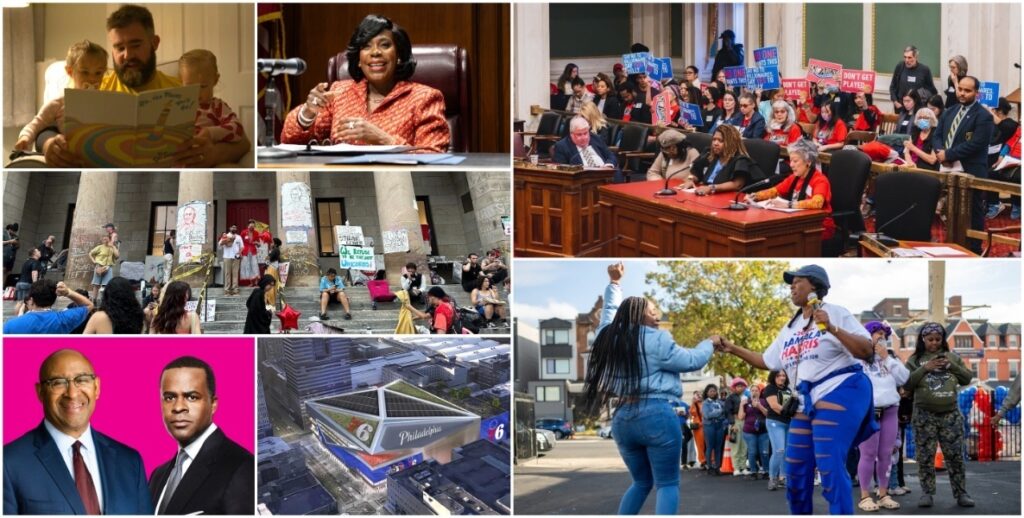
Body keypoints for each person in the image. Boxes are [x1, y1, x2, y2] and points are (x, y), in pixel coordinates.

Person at [715, 264, 876, 515]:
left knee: (829, 463)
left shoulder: (836, 312)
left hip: (842, 388)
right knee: (796, 471)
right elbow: (766, 361)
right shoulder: (788, 329)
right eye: (791, 282)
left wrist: (832, 327)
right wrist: (733, 348)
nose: (791, 286)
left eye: (797, 281)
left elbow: (867, 351)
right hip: (806, 399)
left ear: (814, 285)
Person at [580, 262, 714, 514]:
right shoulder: (657, 339)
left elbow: (609, 311)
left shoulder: (606, 337)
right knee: (667, 484)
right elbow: (693, 360)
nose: (657, 316)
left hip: (622, 418)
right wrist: (709, 343)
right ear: (639, 315)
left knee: (641, 482)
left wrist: (614, 283)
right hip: (656, 415)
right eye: (652, 312)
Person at [3, 349, 153, 514]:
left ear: (96, 387)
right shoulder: (9, 463)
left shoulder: (130, 462)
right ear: (40, 392)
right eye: (58, 382)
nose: (72, 394)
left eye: (82, 380)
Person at [281, 15, 450, 153]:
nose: (375, 52)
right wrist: (308, 113)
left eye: (385, 45)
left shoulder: (425, 98)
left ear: (398, 56)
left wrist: (383, 139)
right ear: (359, 60)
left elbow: (432, 156)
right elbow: (290, 139)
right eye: (366, 46)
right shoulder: (339, 92)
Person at [150, 356, 254, 514]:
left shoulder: (240, 466)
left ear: (213, 404)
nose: (178, 407)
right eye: (169, 398)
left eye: (192, 397)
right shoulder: (158, 475)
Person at [904, 322, 974, 507]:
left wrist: (952, 366)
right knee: (925, 456)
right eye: (930, 339)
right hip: (924, 415)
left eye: (938, 339)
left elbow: (967, 378)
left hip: (950, 414)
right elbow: (907, 384)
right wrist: (925, 368)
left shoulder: (952, 357)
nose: (934, 343)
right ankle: (927, 493)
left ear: (943, 339)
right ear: (923, 339)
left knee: (955, 456)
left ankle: (961, 493)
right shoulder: (914, 359)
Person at [933, 76, 995, 253]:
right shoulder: (950, 110)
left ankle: (974, 248)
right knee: (951, 208)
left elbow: (977, 143)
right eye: (960, 89)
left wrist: (949, 154)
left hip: (971, 169)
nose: (962, 93)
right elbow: (937, 135)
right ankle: (953, 243)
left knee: (973, 211)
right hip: (947, 167)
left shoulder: (984, 116)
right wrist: (939, 152)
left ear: (977, 93)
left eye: (967, 90)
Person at [746, 139, 837, 253]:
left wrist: (788, 204)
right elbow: (775, 191)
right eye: (790, 161)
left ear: (808, 161)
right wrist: (755, 196)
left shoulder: (820, 180)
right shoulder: (794, 177)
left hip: (819, 227)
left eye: (795, 161)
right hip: (797, 223)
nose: (791, 165)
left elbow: (817, 203)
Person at [15, 41, 107, 152]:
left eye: (98, 73)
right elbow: (36, 124)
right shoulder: (59, 103)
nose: (92, 78)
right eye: (85, 72)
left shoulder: (105, 102)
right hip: (69, 153)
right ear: (70, 71)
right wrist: (25, 137)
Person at [856, 321, 909, 511]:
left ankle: (884, 494)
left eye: (884, 335)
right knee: (868, 454)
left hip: (890, 410)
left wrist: (887, 358)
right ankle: (865, 496)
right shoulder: (857, 358)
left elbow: (904, 378)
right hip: (868, 411)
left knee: (886, 454)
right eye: (877, 334)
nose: (881, 337)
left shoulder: (890, 358)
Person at [178, 49, 247, 146]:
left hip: (208, 155)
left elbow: (238, 129)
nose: (197, 93)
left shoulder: (216, 106)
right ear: (181, 81)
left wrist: (211, 133)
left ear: (215, 80)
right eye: (190, 87)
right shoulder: (178, 105)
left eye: (203, 86)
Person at [683, 124, 766, 195]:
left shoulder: (740, 159)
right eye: (714, 139)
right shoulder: (708, 154)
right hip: (704, 193)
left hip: (725, 197)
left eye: (720, 141)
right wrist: (690, 180)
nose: (715, 143)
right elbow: (695, 172)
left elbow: (737, 185)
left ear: (731, 143)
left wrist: (712, 188)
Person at [4, 280, 94, 334]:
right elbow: (89, 305)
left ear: (31, 300)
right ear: (54, 299)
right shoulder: (63, 319)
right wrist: (68, 292)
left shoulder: (10, 325)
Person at [551, 116, 622, 182]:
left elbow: (610, 155)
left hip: (606, 175)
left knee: (617, 173)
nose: (583, 137)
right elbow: (561, 172)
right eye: (579, 134)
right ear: (571, 134)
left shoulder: (595, 138)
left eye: (585, 133)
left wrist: (609, 165)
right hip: (585, 181)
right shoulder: (562, 146)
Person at [762, 370, 792, 490]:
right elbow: (774, 406)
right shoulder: (770, 388)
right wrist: (790, 413)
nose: (782, 378)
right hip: (775, 422)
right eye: (779, 375)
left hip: (788, 422)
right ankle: (772, 478)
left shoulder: (788, 389)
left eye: (784, 375)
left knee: (786, 452)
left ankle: (783, 478)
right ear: (773, 377)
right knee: (779, 450)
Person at [889, 46, 938, 114]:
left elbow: (932, 91)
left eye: (909, 57)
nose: (906, 60)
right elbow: (893, 86)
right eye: (905, 57)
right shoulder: (900, 67)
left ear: (916, 57)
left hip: (918, 109)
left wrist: (920, 97)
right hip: (901, 107)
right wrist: (895, 102)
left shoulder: (924, 70)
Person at [738, 384, 770, 480]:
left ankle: (766, 471)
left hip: (763, 431)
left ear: (760, 392)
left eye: (757, 390)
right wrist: (741, 405)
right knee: (752, 452)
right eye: (753, 390)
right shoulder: (746, 402)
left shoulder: (764, 401)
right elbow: (740, 417)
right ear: (750, 392)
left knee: (764, 452)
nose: (755, 392)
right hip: (749, 431)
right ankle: (753, 472)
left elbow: (768, 414)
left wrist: (759, 406)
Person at [701, 383, 728, 476]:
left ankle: (717, 467)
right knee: (710, 447)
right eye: (711, 391)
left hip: (719, 426)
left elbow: (725, 414)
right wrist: (719, 412)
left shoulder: (720, 402)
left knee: (718, 447)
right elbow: (707, 415)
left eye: (714, 391)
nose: (713, 392)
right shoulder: (705, 403)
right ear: (707, 393)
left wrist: (717, 414)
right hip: (709, 426)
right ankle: (709, 467)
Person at [88, 235, 119, 302]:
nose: (105, 240)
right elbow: (90, 253)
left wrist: (113, 246)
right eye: (103, 239)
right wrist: (94, 261)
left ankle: (104, 301)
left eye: (106, 239)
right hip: (99, 266)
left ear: (109, 240)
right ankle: (94, 300)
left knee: (106, 285)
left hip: (108, 267)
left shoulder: (113, 248)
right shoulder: (100, 247)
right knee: (96, 284)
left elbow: (117, 257)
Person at [14, 248, 44, 315]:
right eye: (38, 251)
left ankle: (16, 318)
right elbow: (34, 273)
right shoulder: (35, 262)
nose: (39, 251)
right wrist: (35, 284)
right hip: (27, 284)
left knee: (19, 302)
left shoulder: (26, 262)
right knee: (26, 303)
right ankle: (20, 319)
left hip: (20, 283)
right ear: (34, 253)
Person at [218, 225, 243, 296]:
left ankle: (235, 290)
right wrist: (226, 240)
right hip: (227, 257)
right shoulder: (226, 235)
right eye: (232, 227)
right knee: (227, 274)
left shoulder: (239, 237)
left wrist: (240, 252)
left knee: (235, 274)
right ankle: (227, 291)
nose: (234, 228)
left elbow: (242, 246)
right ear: (230, 228)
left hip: (236, 257)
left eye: (235, 227)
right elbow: (219, 244)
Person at [239, 220, 264, 288]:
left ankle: (256, 283)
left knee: (254, 266)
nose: (251, 227)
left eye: (253, 226)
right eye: (250, 226)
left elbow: (259, 245)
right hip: (245, 252)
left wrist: (257, 243)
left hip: (253, 252)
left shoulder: (256, 233)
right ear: (248, 226)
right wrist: (240, 252)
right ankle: (250, 283)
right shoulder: (243, 232)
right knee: (247, 267)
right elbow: (240, 243)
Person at [688, 391, 706, 468]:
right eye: (697, 395)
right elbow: (692, 412)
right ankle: (702, 461)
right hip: (698, 427)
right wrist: (693, 403)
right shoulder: (694, 404)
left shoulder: (706, 403)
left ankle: (710, 460)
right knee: (700, 444)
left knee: (708, 443)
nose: (699, 396)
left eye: (700, 394)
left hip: (707, 425)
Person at [264, 238, 282, 308]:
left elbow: (269, 258)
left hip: (272, 268)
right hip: (272, 268)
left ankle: (270, 302)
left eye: (272, 242)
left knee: (269, 285)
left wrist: (268, 255)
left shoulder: (275, 250)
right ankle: (269, 302)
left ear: (275, 244)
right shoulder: (274, 250)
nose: (271, 243)